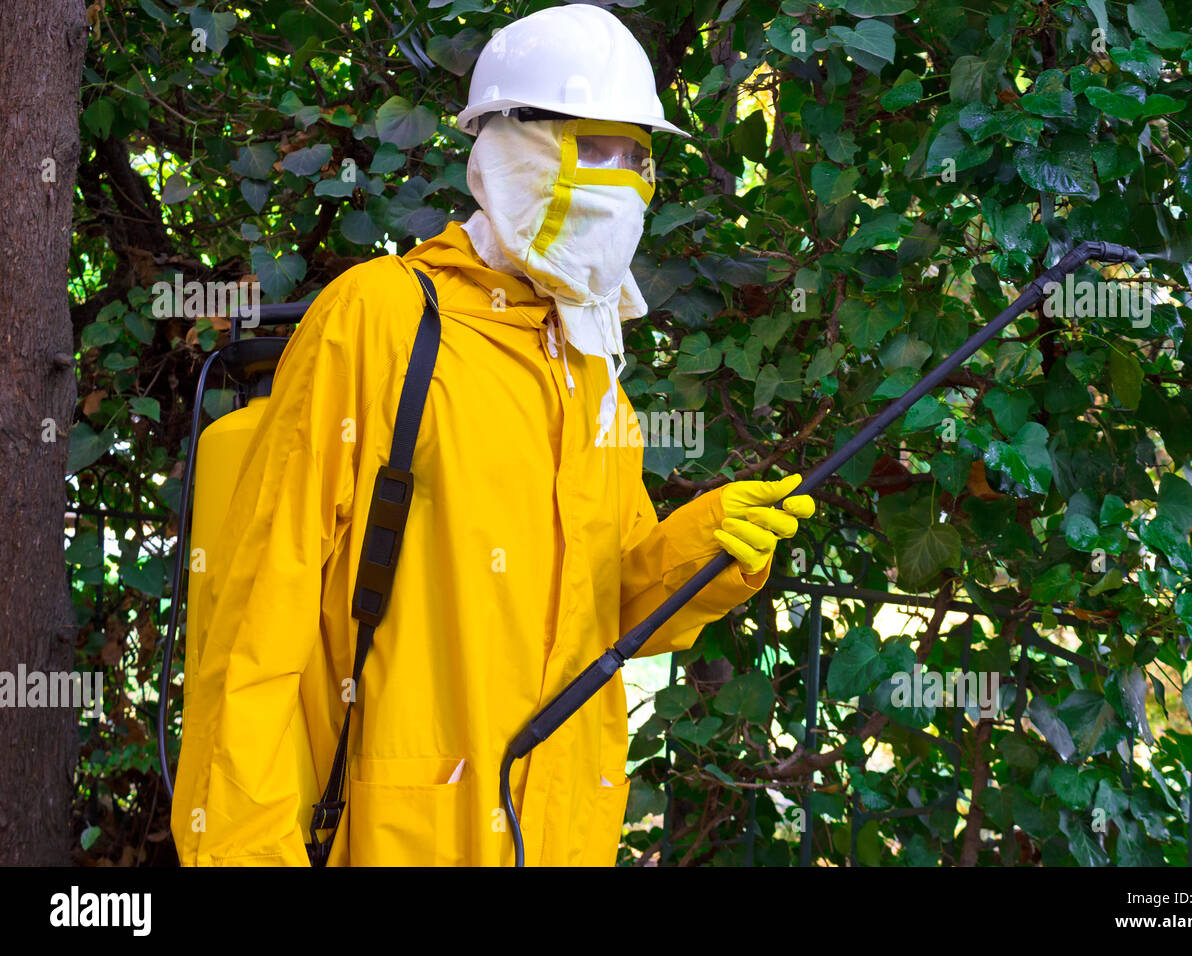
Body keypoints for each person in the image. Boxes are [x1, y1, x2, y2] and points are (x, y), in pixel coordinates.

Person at [171, 3, 814, 867]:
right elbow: (259, 620)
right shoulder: (382, 318)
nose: (620, 180)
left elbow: (607, 606)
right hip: (402, 837)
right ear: (511, 145)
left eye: (638, 157)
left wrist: (704, 548)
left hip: (560, 836)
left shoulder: (587, 362)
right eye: (598, 148)